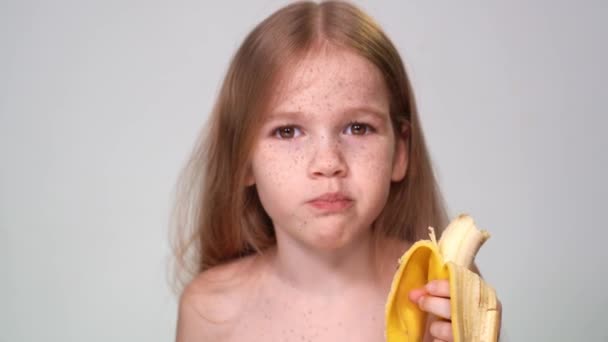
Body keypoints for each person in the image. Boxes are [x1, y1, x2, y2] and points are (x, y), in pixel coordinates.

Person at [171, 1, 498, 341]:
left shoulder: (440, 292)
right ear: (243, 160)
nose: (328, 163)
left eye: (357, 128)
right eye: (287, 131)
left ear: (400, 152)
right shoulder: (210, 311)